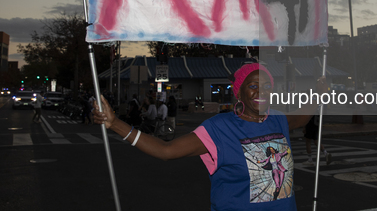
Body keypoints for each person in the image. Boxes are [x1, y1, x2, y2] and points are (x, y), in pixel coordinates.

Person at [93, 62, 328, 211]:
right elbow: (166, 151)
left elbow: (300, 118)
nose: (261, 92)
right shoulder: (219, 128)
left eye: (266, 86)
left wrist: (318, 95)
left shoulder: (277, 119)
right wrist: (116, 124)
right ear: (239, 92)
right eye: (254, 86)